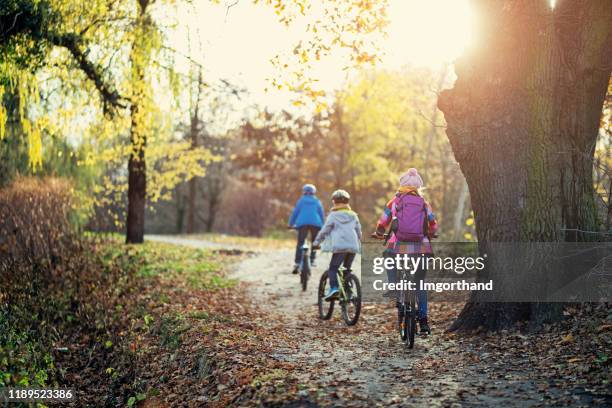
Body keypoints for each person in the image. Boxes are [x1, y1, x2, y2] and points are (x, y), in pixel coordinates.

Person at [372, 168, 438, 335]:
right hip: (421, 247)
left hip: (398, 245)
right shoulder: (424, 202)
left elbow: (383, 221)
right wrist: (431, 232)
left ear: (402, 184)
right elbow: (433, 223)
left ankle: (394, 286)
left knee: (388, 256)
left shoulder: (394, 201)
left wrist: (379, 233)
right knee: (420, 282)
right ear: (418, 186)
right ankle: (423, 321)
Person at [312, 189, 362, 300]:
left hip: (340, 247)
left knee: (333, 268)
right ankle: (348, 291)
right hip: (353, 247)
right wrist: (359, 242)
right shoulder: (353, 215)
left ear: (334, 202)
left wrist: (316, 242)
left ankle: (334, 288)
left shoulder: (333, 215)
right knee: (346, 269)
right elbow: (359, 231)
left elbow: (325, 231)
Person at [289, 183, 325, 273]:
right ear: (314, 192)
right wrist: (323, 225)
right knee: (315, 242)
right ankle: (312, 259)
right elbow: (321, 214)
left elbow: (295, 213)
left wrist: (291, 224)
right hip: (315, 224)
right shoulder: (317, 201)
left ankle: (297, 262)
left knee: (300, 242)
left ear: (304, 192)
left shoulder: (301, 201)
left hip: (302, 223)